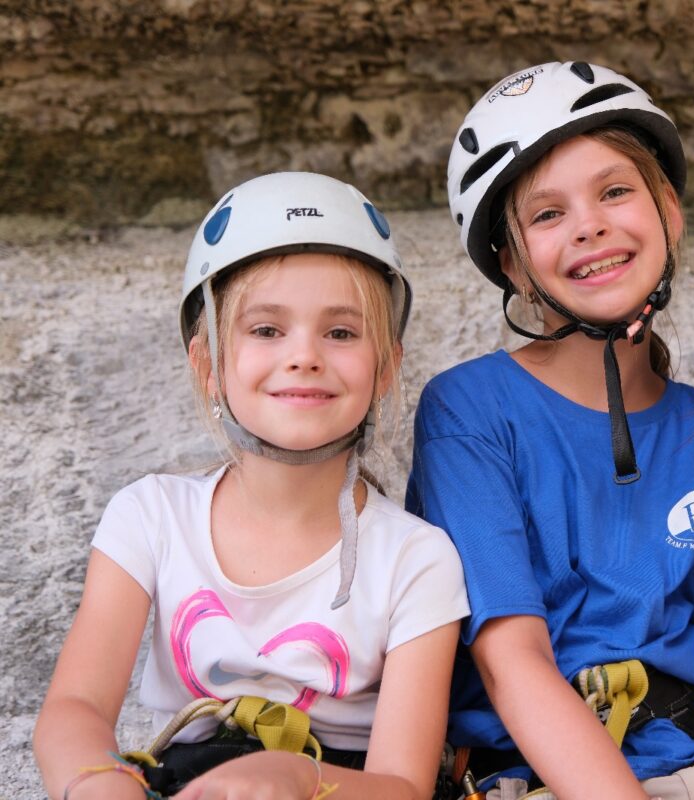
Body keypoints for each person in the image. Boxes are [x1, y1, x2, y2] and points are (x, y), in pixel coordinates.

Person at [406, 61, 694, 800]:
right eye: (547, 214)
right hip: (541, 776)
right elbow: (513, 658)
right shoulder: (468, 411)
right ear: (512, 264)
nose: (590, 225)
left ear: (669, 209)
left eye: (615, 191)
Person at [34, 171, 470, 800]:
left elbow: (401, 785)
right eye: (267, 329)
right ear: (207, 364)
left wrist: (297, 777)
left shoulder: (415, 560)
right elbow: (73, 707)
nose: (305, 355)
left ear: (386, 368)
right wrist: (99, 784)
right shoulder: (150, 517)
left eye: (341, 332)